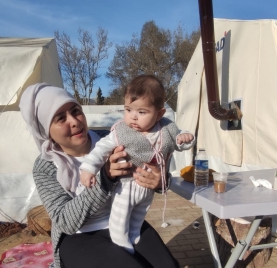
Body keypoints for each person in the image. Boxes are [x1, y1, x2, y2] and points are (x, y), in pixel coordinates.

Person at [19, 82, 195, 268]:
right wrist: (105, 178)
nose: (74, 122)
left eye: (75, 111)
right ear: (45, 130)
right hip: (80, 238)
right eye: (60, 118)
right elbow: (64, 221)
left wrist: (161, 180)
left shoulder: (114, 135)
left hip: (124, 221)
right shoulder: (45, 165)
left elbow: (157, 157)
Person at [79, 75, 195, 253]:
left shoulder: (166, 129)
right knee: (120, 217)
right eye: (128, 110)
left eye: (141, 112)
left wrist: (184, 138)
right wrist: (89, 168)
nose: (133, 117)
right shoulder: (122, 132)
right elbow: (101, 149)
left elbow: (181, 140)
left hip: (148, 188)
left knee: (138, 217)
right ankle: (120, 244)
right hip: (126, 185)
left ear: (159, 114)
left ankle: (133, 237)